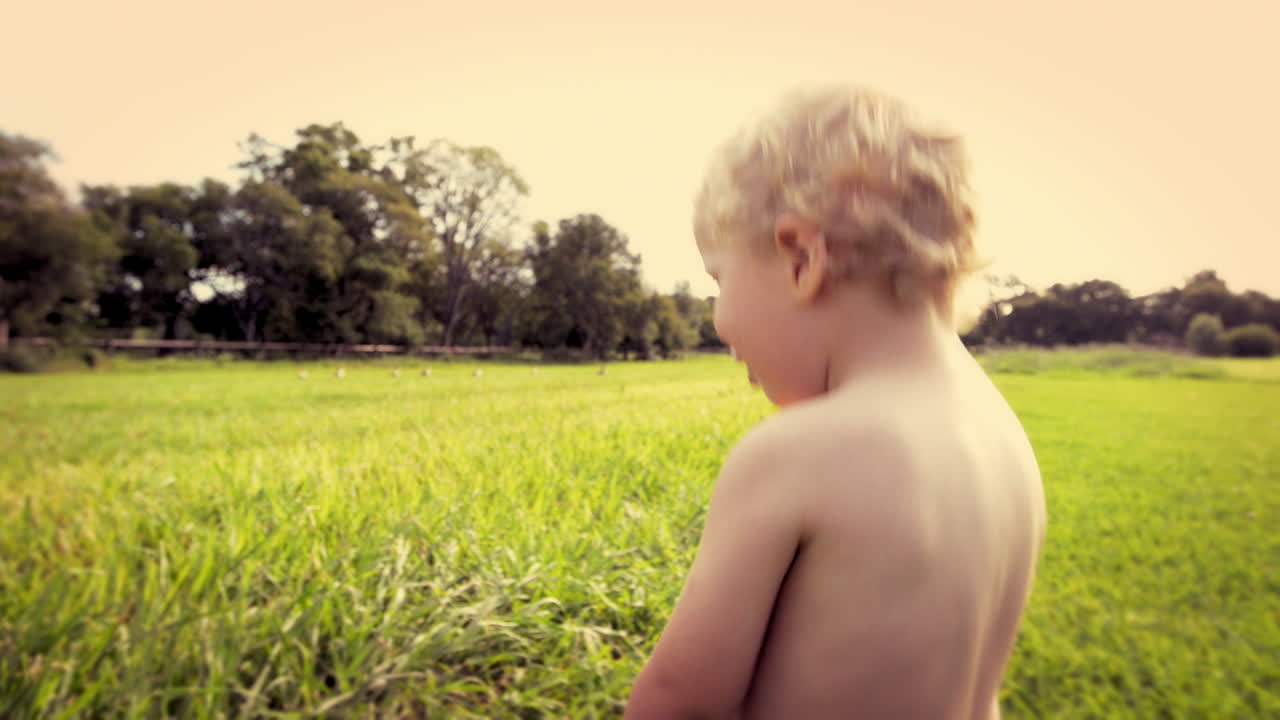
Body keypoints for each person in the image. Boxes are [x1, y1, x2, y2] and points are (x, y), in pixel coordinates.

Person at [624, 86, 1046, 719]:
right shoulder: (1007, 442)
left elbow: (678, 702)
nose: (719, 322)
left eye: (719, 278)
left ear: (801, 257)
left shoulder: (795, 454)